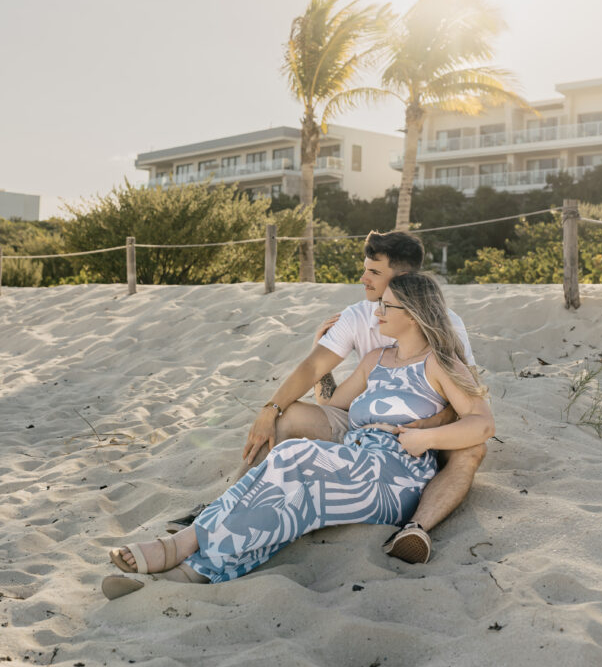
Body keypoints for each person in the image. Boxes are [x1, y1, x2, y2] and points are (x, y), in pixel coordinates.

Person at [103, 272, 494, 598]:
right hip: (355, 458)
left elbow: (483, 424)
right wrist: (319, 356)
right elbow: (333, 407)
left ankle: (183, 545)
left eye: (386, 306)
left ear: (412, 314)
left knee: (294, 458)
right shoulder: (375, 360)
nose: (377, 312)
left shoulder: (440, 364)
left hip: (396, 474)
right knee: (287, 496)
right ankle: (193, 571)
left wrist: (426, 440)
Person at [165, 230, 486, 564]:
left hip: (424, 431)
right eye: (365, 269)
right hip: (365, 423)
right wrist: (270, 409)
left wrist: (430, 425)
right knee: (288, 416)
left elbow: (468, 395)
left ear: (402, 279)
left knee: (473, 448)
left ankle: (416, 528)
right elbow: (317, 373)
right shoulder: (358, 317)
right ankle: (224, 506)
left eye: (374, 271)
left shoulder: (444, 322)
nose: (363, 278)